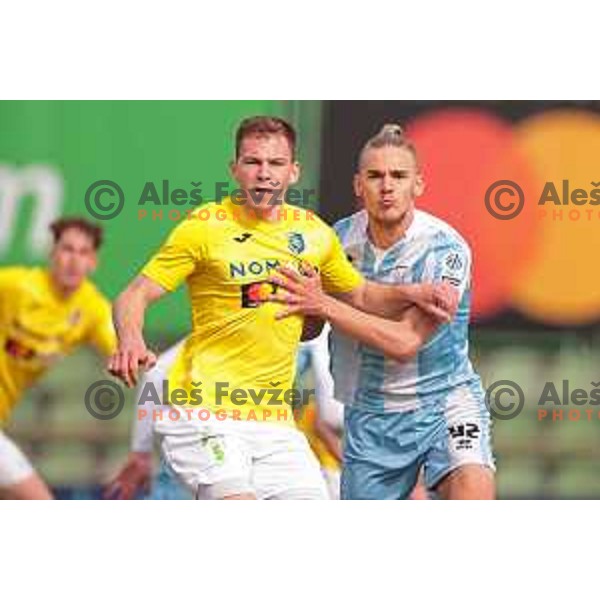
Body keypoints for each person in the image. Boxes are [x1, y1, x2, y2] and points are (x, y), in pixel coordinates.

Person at [108, 116, 455, 500]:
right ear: (235, 169)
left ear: (293, 172)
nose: (264, 174)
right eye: (253, 162)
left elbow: (361, 295)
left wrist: (416, 292)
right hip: (202, 411)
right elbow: (134, 294)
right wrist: (130, 338)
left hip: (274, 423)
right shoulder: (205, 226)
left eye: (275, 164)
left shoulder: (314, 233)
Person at [270, 124, 495, 500]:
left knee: (474, 495)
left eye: (398, 176)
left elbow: (406, 342)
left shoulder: (446, 249)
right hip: (369, 413)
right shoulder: (334, 241)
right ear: (359, 185)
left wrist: (323, 301)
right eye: (375, 176)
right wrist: (300, 302)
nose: (386, 186)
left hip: (445, 402)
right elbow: (310, 330)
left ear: (418, 185)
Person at [105, 327, 344, 500]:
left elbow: (155, 375)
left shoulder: (226, 321)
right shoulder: (314, 331)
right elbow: (330, 415)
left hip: (193, 440)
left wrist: (141, 452)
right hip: (225, 438)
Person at [0, 217, 115, 499]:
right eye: (67, 249)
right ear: (52, 254)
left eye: (83, 252)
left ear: (93, 262)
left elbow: (123, 354)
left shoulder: (93, 309)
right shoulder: (15, 286)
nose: (74, 260)